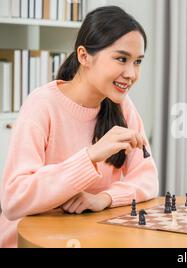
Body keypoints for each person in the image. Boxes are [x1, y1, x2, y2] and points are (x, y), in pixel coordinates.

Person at [0, 6, 159, 248]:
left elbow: (147, 179)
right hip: (31, 241)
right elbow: (14, 200)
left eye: (138, 62)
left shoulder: (122, 106)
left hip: (88, 238)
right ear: (84, 56)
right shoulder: (42, 104)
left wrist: (103, 198)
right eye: (121, 58)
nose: (131, 73)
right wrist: (90, 157)